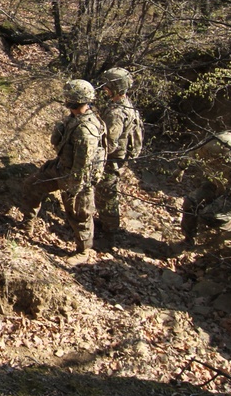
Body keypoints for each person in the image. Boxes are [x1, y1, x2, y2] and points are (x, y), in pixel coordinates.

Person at [16, 79, 107, 256]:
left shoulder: (86, 129)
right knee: (32, 185)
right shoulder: (75, 118)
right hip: (61, 169)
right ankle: (26, 226)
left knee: (79, 216)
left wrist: (74, 189)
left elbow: (83, 164)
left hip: (77, 179)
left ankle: (84, 252)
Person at [94, 67, 143, 245]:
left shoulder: (116, 113)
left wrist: (95, 158)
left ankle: (110, 231)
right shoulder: (125, 105)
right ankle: (108, 225)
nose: (104, 89)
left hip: (111, 159)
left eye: (107, 86)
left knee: (106, 192)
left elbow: (110, 143)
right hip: (118, 157)